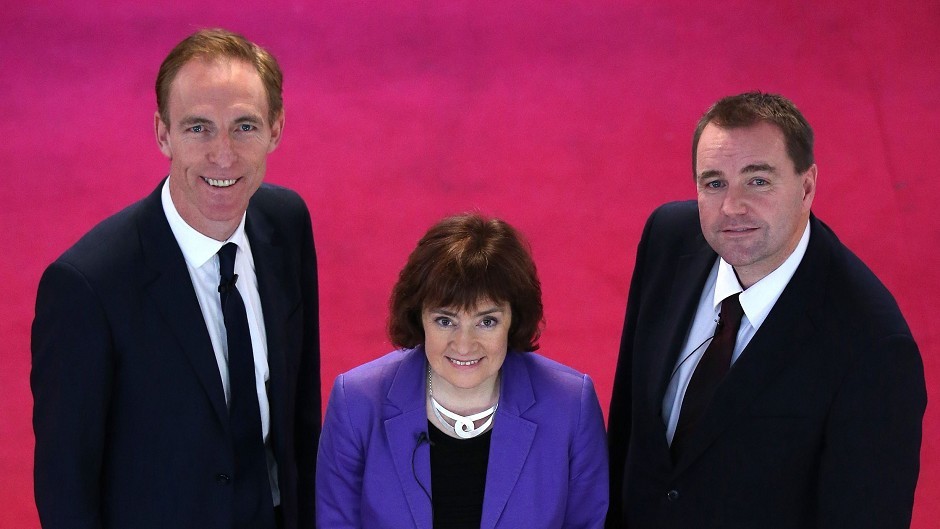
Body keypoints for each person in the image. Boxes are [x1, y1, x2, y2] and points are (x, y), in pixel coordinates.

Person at [31, 29, 320, 529]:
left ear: (277, 128)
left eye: (244, 126)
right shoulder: (87, 287)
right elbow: (67, 492)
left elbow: (300, 416)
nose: (223, 155)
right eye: (198, 128)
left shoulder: (286, 223)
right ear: (162, 132)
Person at [606, 92, 926, 528]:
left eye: (758, 181)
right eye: (714, 182)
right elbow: (628, 425)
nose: (732, 207)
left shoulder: (872, 346)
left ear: (807, 186)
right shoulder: (668, 238)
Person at [316, 213, 608, 528]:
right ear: (419, 318)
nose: (464, 345)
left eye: (487, 321)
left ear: (513, 320)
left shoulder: (570, 405)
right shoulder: (356, 403)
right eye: (445, 320)